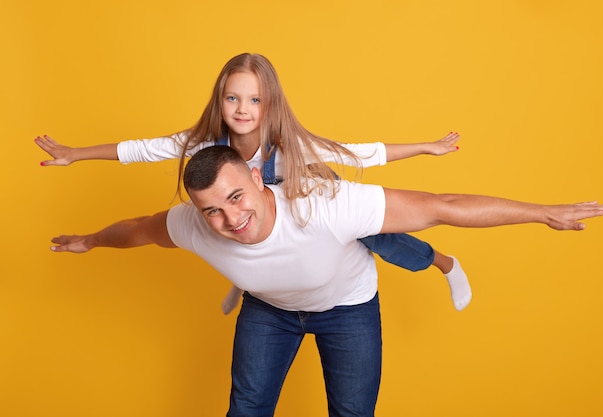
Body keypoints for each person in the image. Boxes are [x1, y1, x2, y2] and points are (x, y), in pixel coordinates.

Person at [50, 145, 603, 417]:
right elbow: (141, 230)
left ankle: (440, 264)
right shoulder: (195, 224)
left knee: (351, 414)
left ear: (256, 176)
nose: (229, 219)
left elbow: (442, 204)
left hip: (347, 309)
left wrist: (543, 211)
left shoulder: (324, 203)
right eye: (212, 211)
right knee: (245, 410)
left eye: (236, 198)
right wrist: (91, 241)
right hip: (269, 311)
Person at [35, 52, 472, 312]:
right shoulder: (205, 139)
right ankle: (247, 279)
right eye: (233, 98)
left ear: (270, 103)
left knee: (377, 239)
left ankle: (443, 263)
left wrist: (424, 147)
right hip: (251, 216)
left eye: (255, 100)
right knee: (227, 229)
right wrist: (75, 154)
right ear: (220, 100)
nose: (242, 109)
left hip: (308, 201)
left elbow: (360, 153)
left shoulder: (292, 143)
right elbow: (141, 149)